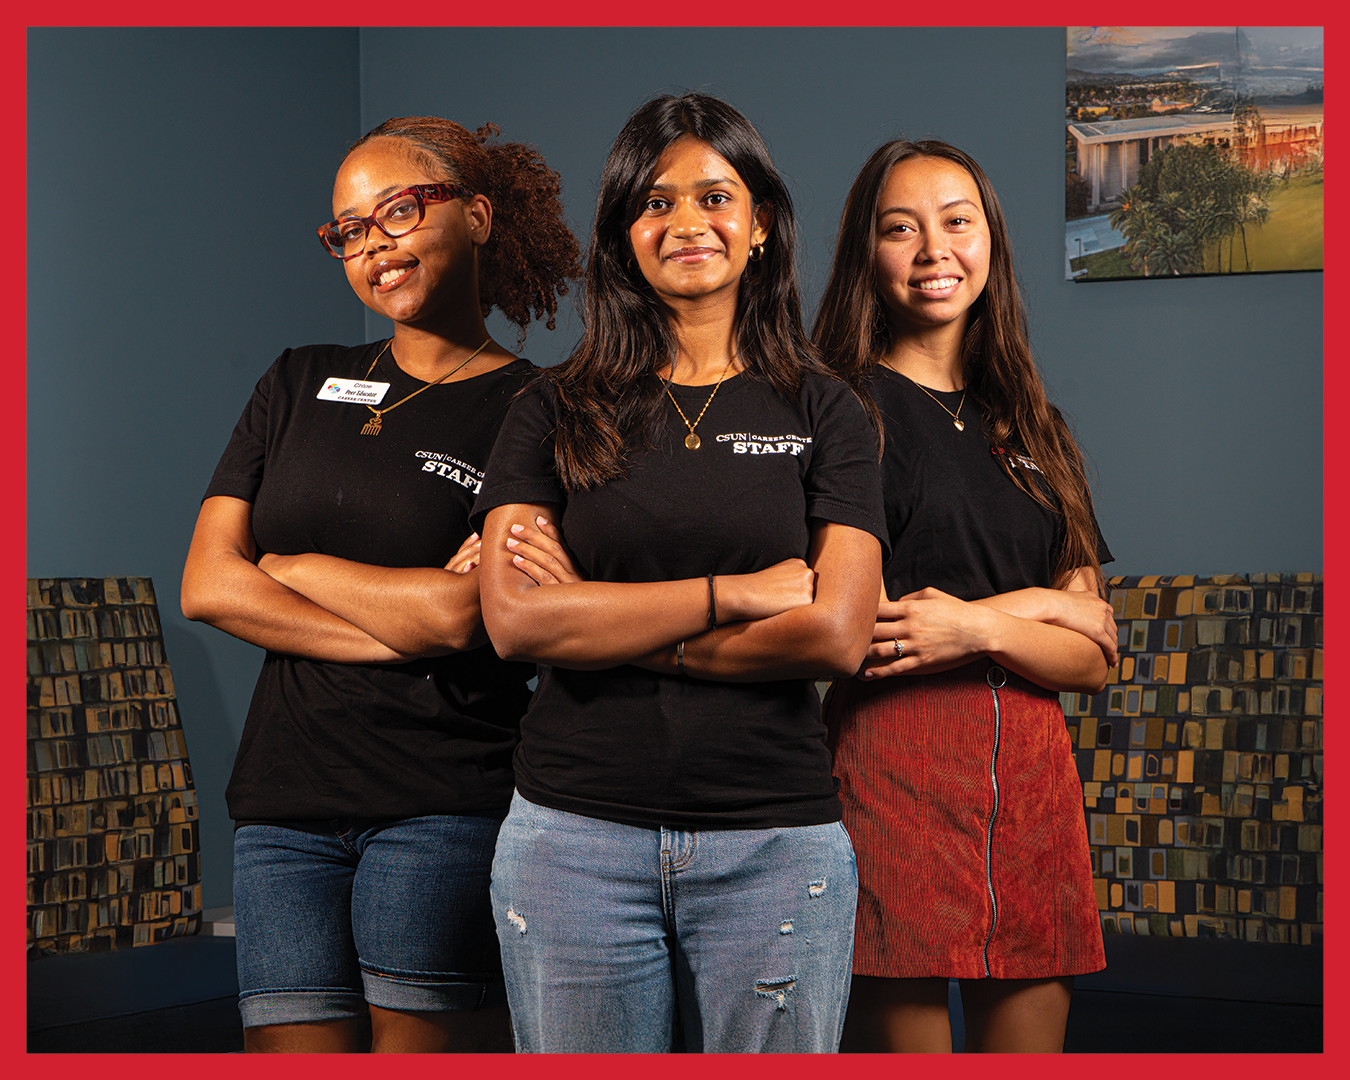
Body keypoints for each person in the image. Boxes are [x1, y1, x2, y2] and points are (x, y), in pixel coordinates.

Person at [470, 93, 886, 1053]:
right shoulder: (551, 408)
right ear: (621, 236)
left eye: (715, 197)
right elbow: (517, 626)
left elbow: (835, 634)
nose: (686, 224)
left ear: (762, 226)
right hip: (571, 839)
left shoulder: (828, 412)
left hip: (773, 845)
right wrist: (731, 597)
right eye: (654, 203)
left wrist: (597, 618)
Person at [180, 115, 580, 1053]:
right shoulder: (297, 380)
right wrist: (396, 616)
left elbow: (461, 616)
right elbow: (206, 583)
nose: (373, 246)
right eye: (349, 232)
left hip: (439, 803)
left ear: (476, 217)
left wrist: (290, 569)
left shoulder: (540, 404)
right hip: (282, 811)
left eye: (396, 212)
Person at [812, 139, 1119, 1053]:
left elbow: (1096, 649)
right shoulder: (838, 408)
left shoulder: (1032, 422)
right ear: (865, 252)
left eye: (957, 223)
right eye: (899, 228)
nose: (932, 249)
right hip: (888, 770)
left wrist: (973, 621)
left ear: (992, 243)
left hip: (1034, 785)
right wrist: (1042, 608)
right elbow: (861, 626)